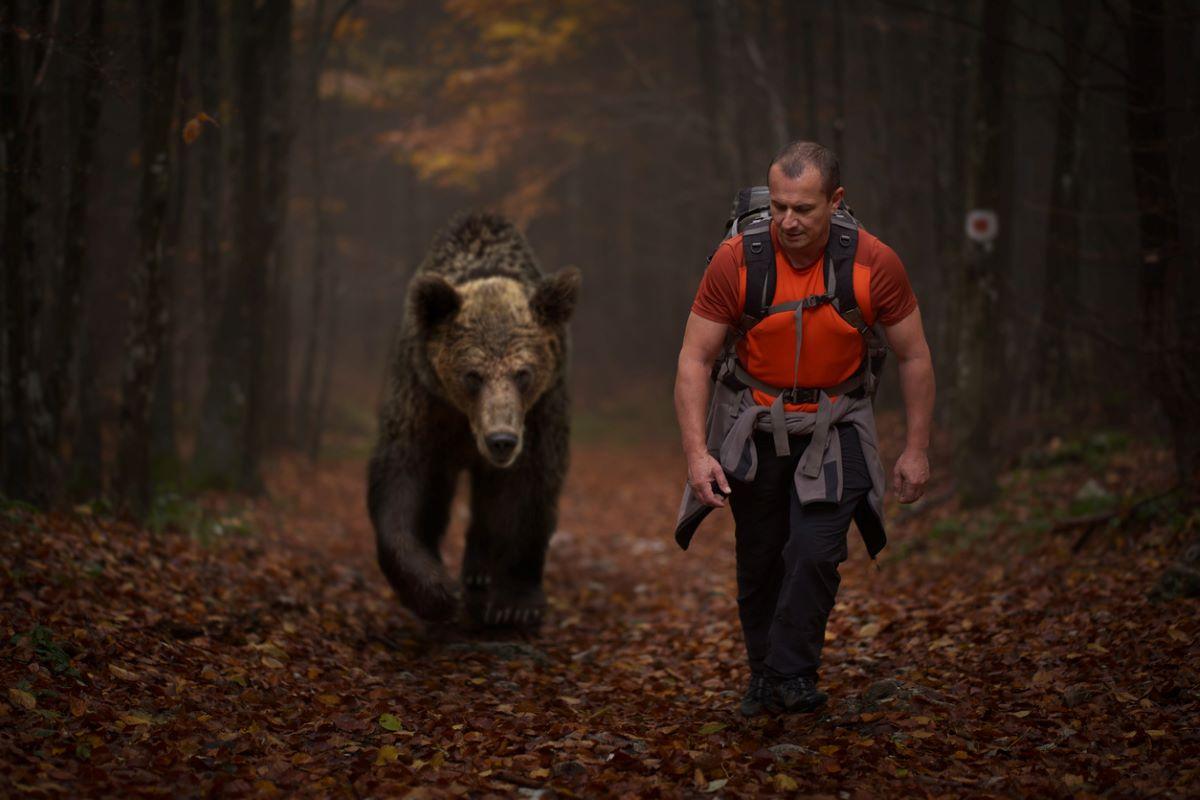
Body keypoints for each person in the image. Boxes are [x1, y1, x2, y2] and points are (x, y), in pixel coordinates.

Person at [673, 140, 935, 716]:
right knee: (761, 554)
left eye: (804, 209)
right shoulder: (737, 260)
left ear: (835, 202)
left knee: (816, 553)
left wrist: (916, 450)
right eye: (779, 207)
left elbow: (914, 356)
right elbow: (694, 358)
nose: (787, 221)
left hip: (836, 424)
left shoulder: (873, 263)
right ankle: (763, 675)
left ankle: (792, 672)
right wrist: (697, 455)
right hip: (752, 424)